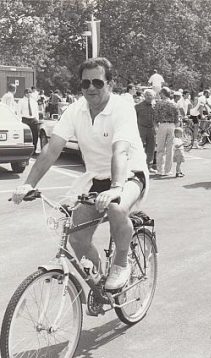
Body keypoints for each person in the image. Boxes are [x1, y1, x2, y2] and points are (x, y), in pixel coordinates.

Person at [12, 57, 148, 290]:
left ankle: (121, 263)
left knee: (116, 207)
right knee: (76, 237)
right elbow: (52, 149)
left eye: (97, 82)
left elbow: (121, 151)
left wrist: (116, 187)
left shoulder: (121, 108)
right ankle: (99, 282)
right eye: (85, 84)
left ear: (110, 84)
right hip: (95, 178)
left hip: (129, 174)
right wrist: (28, 184)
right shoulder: (75, 110)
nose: (91, 88)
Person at [153, 87, 179, 176]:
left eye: (161, 94)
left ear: (163, 94)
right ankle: (168, 170)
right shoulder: (174, 104)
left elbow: (155, 117)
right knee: (170, 149)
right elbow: (177, 118)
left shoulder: (159, 104)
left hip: (162, 125)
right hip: (172, 125)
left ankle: (160, 169)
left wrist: (156, 127)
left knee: (160, 148)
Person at [135, 89, 156, 173]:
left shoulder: (155, 106)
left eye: (150, 95)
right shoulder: (137, 106)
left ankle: (149, 166)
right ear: (144, 96)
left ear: (153, 96)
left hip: (151, 129)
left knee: (151, 148)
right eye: (147, 95)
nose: (148, 97)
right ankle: (138, 165)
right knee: (139, 147)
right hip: (141, 128)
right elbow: (133, 118)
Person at [19, 88, 40, 155]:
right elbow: (19, 111)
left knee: (35, 135)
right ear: (25, 94)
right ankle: (24, 150)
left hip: (33, 119)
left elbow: (36, 111)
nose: (28, 94)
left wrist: (37, 119)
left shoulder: (34, 101)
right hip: (25, 119)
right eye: (27, 93)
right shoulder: (21, 101)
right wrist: (20, 120)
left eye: (30, 92)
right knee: (25, 136)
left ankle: (34, 150)